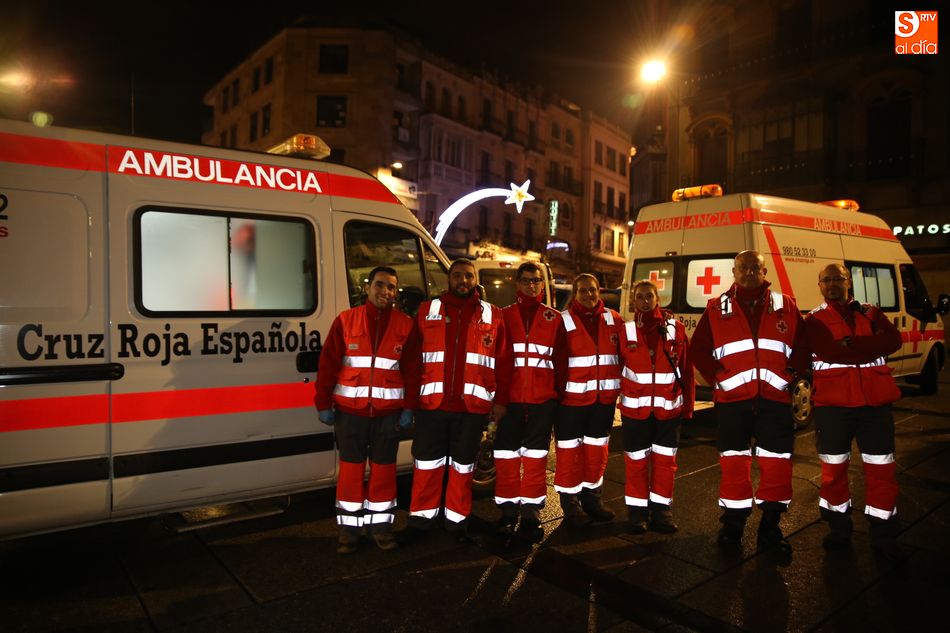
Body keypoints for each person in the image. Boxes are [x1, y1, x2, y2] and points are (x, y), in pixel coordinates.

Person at [691, 250, 807, 553]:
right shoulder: (717, 308)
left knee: (777, 465)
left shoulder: (786, 305)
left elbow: (803, 346)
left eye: (755, 267)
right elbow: (698, 349)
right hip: (733, 402)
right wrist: (719, 376)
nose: (750, 272)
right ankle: (732, 526)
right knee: (733, 464)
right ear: (734, 271)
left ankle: (770, 528)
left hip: (775, 400)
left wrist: (791, 374)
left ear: (764, 270)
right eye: (744, 267)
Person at [314, 266, 420, 554]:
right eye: (380, 285)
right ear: (368, 287)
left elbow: (413, 371)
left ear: (395, 293)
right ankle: (349, 532)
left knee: (384, 474)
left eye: (391, 287)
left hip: (388, 415)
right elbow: (328, 365)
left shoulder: (406, 325)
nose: (385, 291)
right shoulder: (346, 320)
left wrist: (409, 408)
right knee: (350, 473)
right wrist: (323, 403)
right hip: (350, 414)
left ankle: (381, 530)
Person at [405, 259, 511, 541]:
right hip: (432, 405)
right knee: (427, 464)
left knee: (462, 468)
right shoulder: (428, 310)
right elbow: (413, 359)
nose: (462, 280)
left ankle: (456, 522)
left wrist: (500, 401)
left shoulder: (493, 315)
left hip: (471, 408)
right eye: (457, 275)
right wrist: (411, 402)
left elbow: (503, 362)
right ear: (448, 279)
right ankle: (421, 521)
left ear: (476, 280)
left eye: (468, 275)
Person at [803, 263, 904, 559]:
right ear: (819, 286)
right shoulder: (814, 320)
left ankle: (884, 533)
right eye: (827, 280)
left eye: (838, 279)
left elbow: (893, 340)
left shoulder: (870, 312)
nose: (833, 284)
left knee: (882, 469)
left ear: (849, 282)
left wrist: (855, 343)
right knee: (834, 471)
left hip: (874, 405)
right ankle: (838, 527)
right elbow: (830, 351)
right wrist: (870, 346)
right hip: (834, 408)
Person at [494, 262, 563, 542]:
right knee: (506, 456)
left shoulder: (554, 318)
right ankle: (508, 509)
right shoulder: (502, 316)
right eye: (526, 281)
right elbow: (496, 361)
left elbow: (561, 362)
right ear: (517, 284)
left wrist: (557, 398)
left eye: (535, 281)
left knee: (536, 458)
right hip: (509, 401)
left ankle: (532, 509)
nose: (531, 285)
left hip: (541, 400)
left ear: (542, 285)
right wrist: (498, 400)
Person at [619, 280, 694, 534]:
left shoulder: (676, 329)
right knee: (636, 462)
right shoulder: (625, 331)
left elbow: (686, 370)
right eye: (639, 296)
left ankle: (661, 512)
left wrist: (689, 406)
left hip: (668, 411)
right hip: (635, 412)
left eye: (649, 296)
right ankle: (637, 513)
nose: (644, 301)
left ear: (657, 298)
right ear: (633, 301)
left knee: (665, 463)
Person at [553, 273, 623, 526]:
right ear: (575, 293)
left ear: (599, 291)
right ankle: (570, 506)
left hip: (602, 402)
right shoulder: (563, 321)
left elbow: (626, 351)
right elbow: (555, 361)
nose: (589, 294)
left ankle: (592, 500)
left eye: (592, 290)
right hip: (570, 403)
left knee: (597, 452)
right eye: (582, 290)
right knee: (569, 454)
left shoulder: (613, 319)